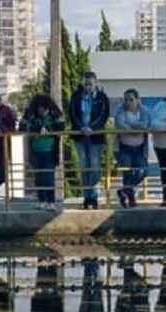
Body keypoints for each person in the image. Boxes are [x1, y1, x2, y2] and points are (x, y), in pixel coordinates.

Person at [67, 72, 111, 209]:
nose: (88, 87)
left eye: (90, 84)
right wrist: (81, 127)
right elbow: (72, 113)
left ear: (96, 84)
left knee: (94, 166)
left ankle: (94, 196)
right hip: (80, 136)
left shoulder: (101, 98)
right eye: (86, 84)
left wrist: (92, 127)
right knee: (84, 166)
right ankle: (87, 197)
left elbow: (104, 114)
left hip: (95, 137)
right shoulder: (76, 96)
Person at [20, 94, 66, 209]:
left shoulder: (55, 113)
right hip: (35, 150)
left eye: (45, 110)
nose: (43, 112)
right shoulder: (30, 113)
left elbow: (61, 125)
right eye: (40, 110)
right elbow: (22, 126)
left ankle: (51, 200)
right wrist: (37, 129)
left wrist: (48, 129)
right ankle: (41, 199)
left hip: (50, 150)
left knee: (48, 176)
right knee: (39, 175)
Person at [113, 88, 149, 207]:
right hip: (124, 148)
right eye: (126, 100)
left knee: (143, 171)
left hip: (139, 148)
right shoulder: (120, 111)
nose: (128, 102)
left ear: (137, 100)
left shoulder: (144, 111)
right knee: (127, 174)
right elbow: (120, 124)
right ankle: (130, 199)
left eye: (131, 99)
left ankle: (123, 190)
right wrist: (134, 129)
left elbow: (145, 124)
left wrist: (131, 128)